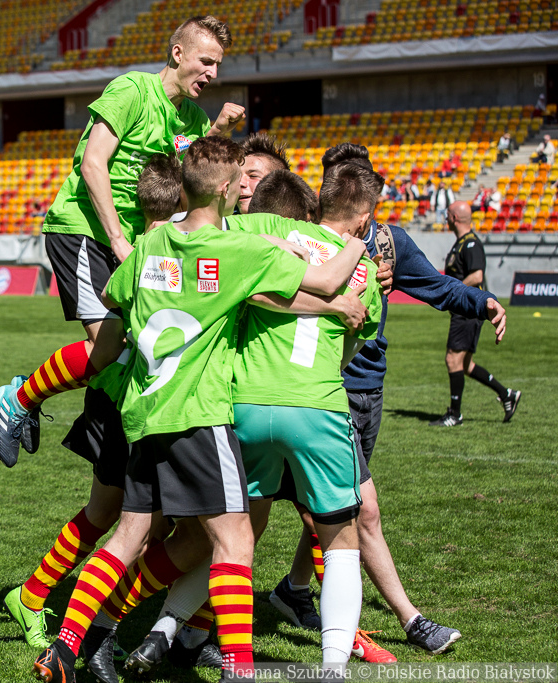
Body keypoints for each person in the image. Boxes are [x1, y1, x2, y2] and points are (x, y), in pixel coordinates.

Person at [31, 136, 369, 683]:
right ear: (227, 187)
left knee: (127, 536)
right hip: (199, 414)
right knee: (235, 541)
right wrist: (354, 241)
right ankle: (239, 669)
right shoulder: (237, 252)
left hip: (144, 412)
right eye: (241, 180)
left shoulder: (152, 242)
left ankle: (65, 648)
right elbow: (329, 282)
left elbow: (115, 296)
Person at [268, 145, 507, 659]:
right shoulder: (301, 236)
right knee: (359, 511)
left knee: (333, 507)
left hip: (367, 391)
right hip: (317, 390)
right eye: (336, 180)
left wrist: (481, 301)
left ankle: (292, 589)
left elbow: (437, 287)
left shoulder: (389, 242)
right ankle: (407, 619)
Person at [0, 15, 246, 468]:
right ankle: (21, 398)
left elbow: (189, 179)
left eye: (218, 66)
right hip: (85, 229)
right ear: (178, 53)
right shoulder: (132, 90)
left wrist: (218, 132)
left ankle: (103, 439)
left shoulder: (193, 118)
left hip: (130, 240)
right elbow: (93, 164)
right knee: (109, 345)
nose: (212, 74)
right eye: (206, 61)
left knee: (131, 347)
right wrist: (117, 240)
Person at [2, 153, 182, 651]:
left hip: (133, 396)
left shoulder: (158, 243)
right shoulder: (165, 248)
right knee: (145, 524)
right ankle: (103, 628)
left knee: (115, 515)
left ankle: (36, 598)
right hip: (132, 399)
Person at [430, 201, 520, 427]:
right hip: (464, 311)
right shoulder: (460, 244)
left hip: (467, 311)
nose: (446, 219)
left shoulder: (471, 244)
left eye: (448, 215)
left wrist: (454, 290)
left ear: (454, 217)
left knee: (453, 359)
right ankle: (506, 394)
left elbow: (477, 276)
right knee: (466, 364)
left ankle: (455, 414)